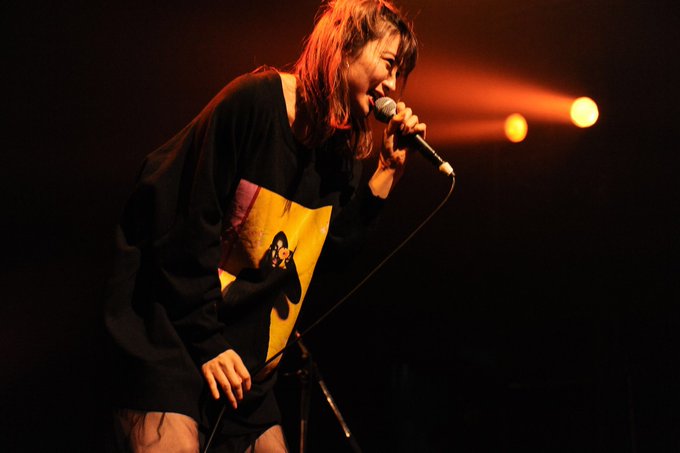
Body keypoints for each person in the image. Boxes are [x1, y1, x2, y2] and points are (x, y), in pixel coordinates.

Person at [103, 0, 423, 451]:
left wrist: (385, 173)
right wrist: (207, 341)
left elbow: (323, 254)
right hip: (170, 333)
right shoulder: (254, 102)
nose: (393, 84)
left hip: (243, 364)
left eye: (401, 73)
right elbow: (183, 220)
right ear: (346, 45)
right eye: (389, 63)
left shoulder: (341, 152)